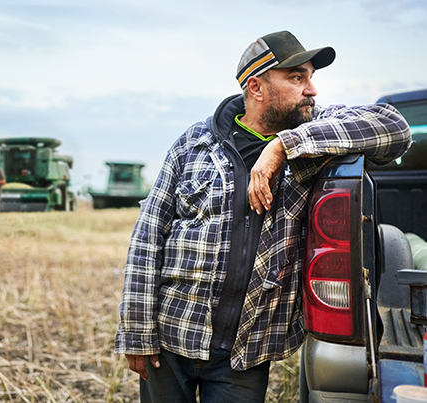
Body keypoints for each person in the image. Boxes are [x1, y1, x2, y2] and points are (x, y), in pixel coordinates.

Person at [114, 30, 411, 402]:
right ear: (256, 87)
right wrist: (137, 332)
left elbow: (395, 128)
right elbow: (148, 236)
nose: (312, 89)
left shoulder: (314, 132)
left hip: (246, 353)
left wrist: (284, 146)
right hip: (174, 334)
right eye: (296, 77)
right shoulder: (193, 143)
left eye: (311, 77)